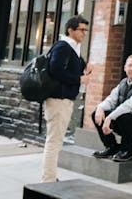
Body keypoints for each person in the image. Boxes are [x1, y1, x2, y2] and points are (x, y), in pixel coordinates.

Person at [42, 15, 92, 182]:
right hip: (58, 100)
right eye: (81, 30)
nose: (84, 33)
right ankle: (48, 180)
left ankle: (50, 177)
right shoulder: (63, 46)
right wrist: (79, 79)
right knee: (54, 142)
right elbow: (55, 70)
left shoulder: (74, 48)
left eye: (86, 30)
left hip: (64, 100)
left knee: (56, 141)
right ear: (70, 30)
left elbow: (76, 68)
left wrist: (85, 68)